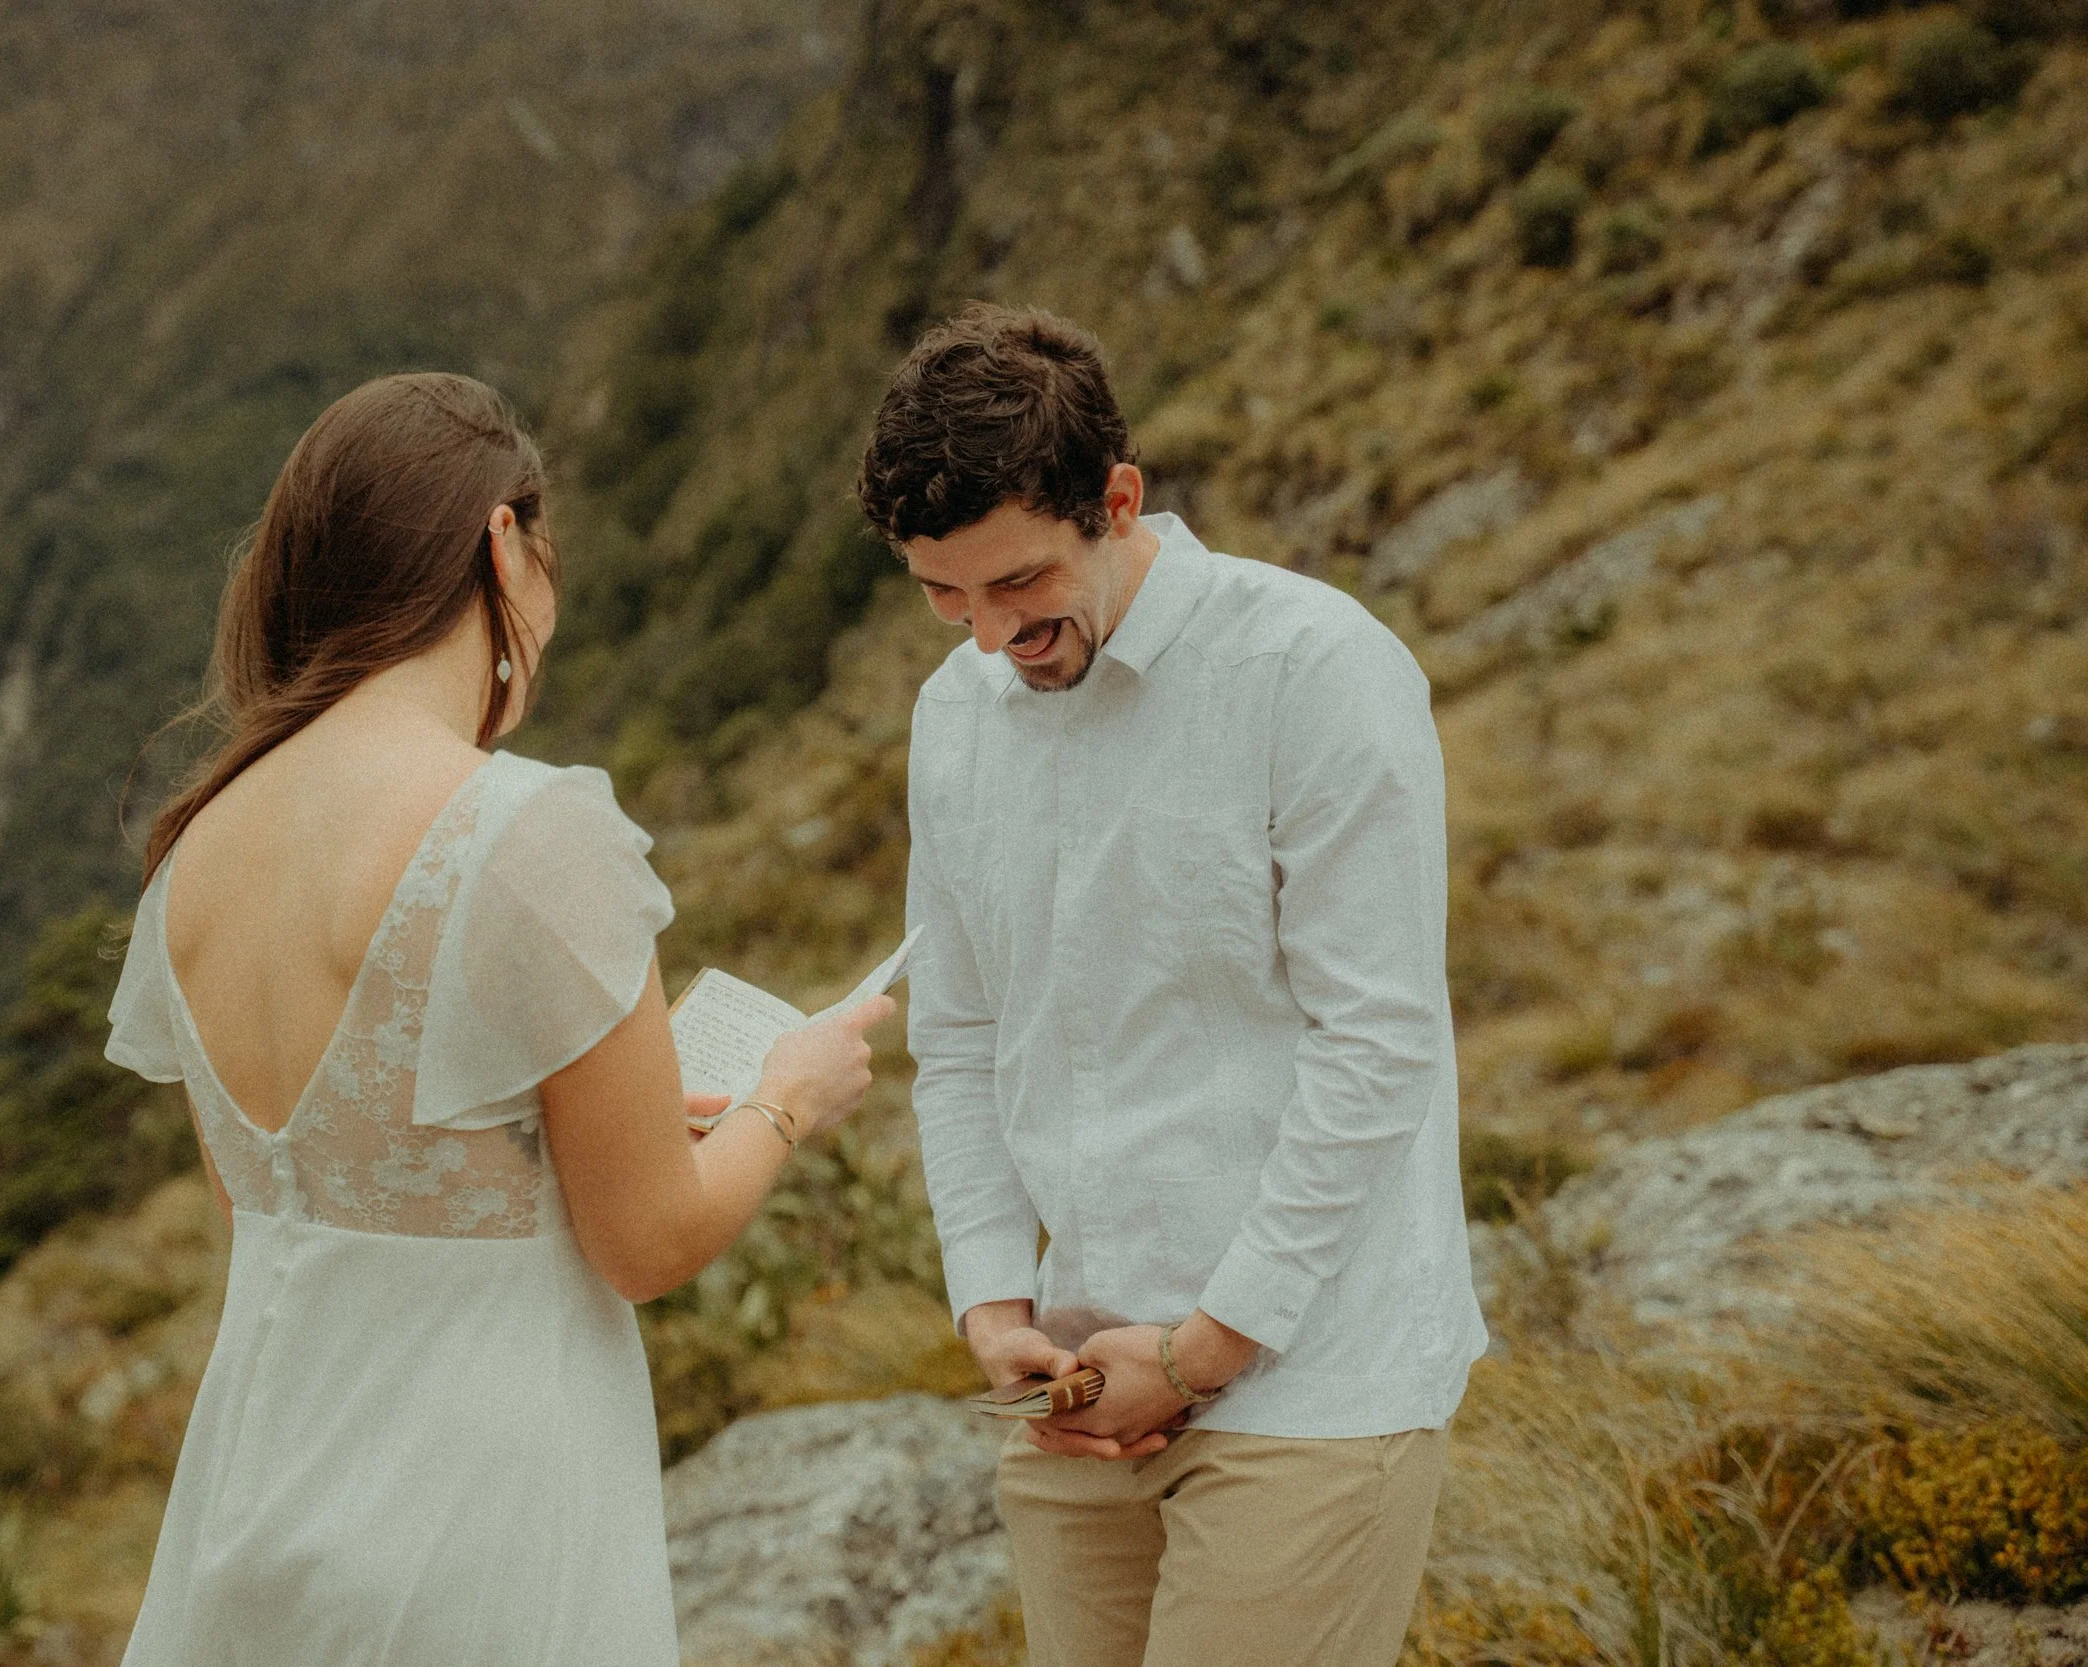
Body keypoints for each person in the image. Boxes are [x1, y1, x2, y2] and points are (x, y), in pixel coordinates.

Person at [101, 372, 889, 1666]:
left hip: (252, 1509)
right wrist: (786, 1093)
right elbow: (649, 1238)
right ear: (501, 544)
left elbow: (284, 1193)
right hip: (480, 1519)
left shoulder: (198, 848)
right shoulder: (527, 829)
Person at [858, 305, 1486, 1667]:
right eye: (942, 595)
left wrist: (1204, 1351)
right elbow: (961, 1037)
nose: (983, 637)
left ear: (1118, 502)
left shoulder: (1313, 669)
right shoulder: (953, 714)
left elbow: (1377, 1043)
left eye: (1017, 584)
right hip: (1074, 1386)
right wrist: (990, 1304)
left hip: (1314, 1379)